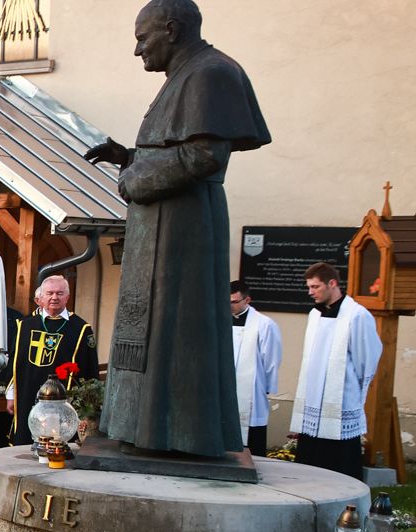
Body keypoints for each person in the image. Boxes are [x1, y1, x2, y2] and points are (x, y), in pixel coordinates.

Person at [90, 0, 270, 459]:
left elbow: (204, 156)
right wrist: (128, 157)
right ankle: (143, 428)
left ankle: (173, 432)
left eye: (142, 38)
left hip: (182, 230)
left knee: (174, 328)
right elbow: (177, 149)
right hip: (160, 224)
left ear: (170, 29)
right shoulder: (185, 75)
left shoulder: (211, 73)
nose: (137, 51)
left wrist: (135, 178)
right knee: (148, 326)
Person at [290, 262, 380, 479]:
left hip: (341, 398)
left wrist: (351, 388)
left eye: (315, 287)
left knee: (338, 465)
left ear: (332, 284)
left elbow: (366, 359)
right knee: (309, 465)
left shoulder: (357, 315)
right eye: (309, 287)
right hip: (313, 399)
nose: (310, 292)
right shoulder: (315, 315)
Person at [7, 276, 99, 445]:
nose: (54, 297)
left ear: (67, 297)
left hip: (63, 401)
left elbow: (90, 370)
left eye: (59, 293)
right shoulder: (24, 326)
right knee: (25, 443)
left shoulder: (81, 329)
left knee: (59, 444)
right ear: (40, 298)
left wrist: (87, 408)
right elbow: (14, 363)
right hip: (27, 394)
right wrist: (11, 395)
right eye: (49, 293)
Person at [229, 280, 283, 452]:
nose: (230, 306)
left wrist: (264, 388)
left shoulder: (264, 324)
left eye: (234, 302)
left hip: (252, 391)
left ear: (247, 300)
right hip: (225, 390)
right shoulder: (221, 321)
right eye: (227, 301)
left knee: (251, 439)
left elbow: (272, 360)